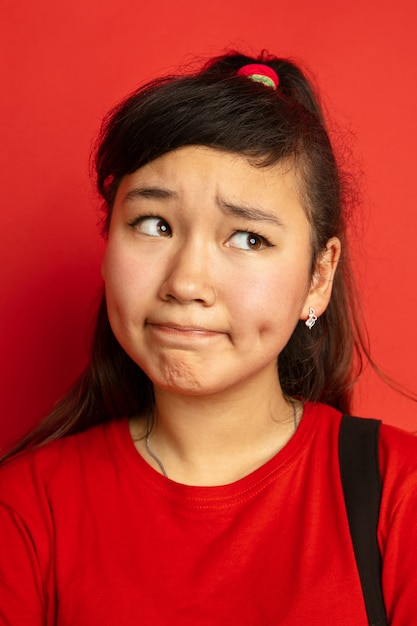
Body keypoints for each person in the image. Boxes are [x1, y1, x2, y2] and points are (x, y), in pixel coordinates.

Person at [0, 51, 416, 626]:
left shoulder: (402, 495)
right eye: (154, 225)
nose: (187, 283)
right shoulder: (23, 510)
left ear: (318, 278)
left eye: (247, 238)